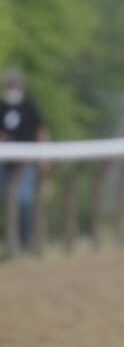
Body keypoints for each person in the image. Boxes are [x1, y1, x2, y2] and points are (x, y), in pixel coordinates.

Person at [0, 68, 47, 249]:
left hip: (26, 163)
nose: (11, 88)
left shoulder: (30, 106)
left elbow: (41, 131)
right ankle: (9, 242)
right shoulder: (2, 108)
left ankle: (25, 242)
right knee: (7, 201)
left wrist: (44, 156)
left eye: (14, 85)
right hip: (5, 164)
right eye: (9, 85)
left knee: (24, 201)